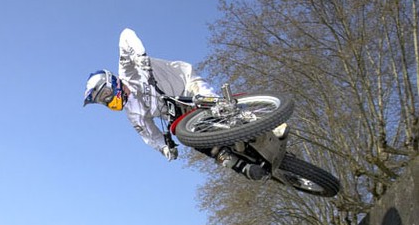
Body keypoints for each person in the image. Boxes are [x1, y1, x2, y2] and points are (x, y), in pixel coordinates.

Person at [83, 28, 288, 181]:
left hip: (186, 83)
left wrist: (139, 55)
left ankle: (263, 121)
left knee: (217, 105)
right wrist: (164, 148)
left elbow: (125, 35)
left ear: (112, 82)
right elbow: (148, 133)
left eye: (106, 94)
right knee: (183, 135)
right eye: (103, 100)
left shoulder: (129, 71)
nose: (108, 100)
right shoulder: (133, 113)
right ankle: (238, 164)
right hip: (181, 112)